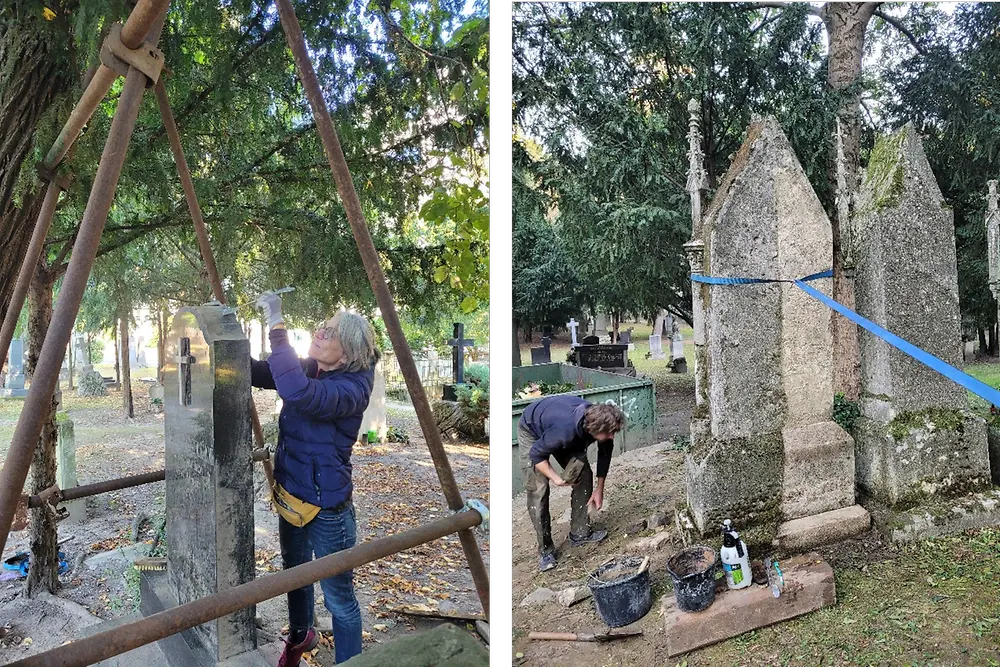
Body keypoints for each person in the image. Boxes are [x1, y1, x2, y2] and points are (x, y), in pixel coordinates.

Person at [253, 291, 379, 667]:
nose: (321, 333)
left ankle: (349, 662)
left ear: (348, 353)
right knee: (296, 574)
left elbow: (296, 391)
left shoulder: (351, 389)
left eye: (331, 333)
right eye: (323, 327)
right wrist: (224, 349)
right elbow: (268, 373)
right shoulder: (316, 367)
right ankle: (300, 635)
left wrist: (277, 324)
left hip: (328, 509)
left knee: (340, 598)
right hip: (292, 493)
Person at [517, 395, 625, 572]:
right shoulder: (565, 430)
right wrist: (556, 478)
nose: (612, 436)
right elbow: (536, 455)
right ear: (594, 429)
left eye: (614, 432)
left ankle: (580, 532)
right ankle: (546, 551)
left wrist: (599, 489)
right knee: (539, 489)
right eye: (609, 433)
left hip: (557, 426)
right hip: (532, 428)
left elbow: (604, 456)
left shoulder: (602, 427)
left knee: (583, 472)